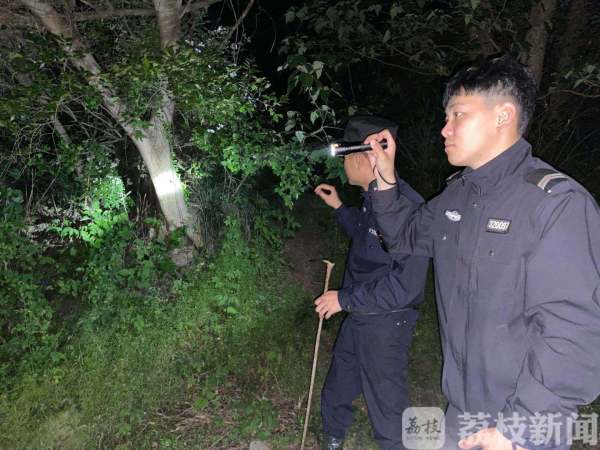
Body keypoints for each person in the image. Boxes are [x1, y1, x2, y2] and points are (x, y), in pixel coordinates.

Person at [364, 55, 600, 450]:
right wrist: (385, 179)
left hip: (520, 424)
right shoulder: (457, 195)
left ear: (502, 116)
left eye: (458, 114)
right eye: (446, 117)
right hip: (463, 413)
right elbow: (405, 238)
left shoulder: (555, 204)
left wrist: (520, 430)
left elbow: (573, 331)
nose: (445, 129)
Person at [313, 116, 430, 450]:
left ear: (365, 157)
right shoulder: (372, 196)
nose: (343, 165)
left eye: (346, 157)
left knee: (386, 401)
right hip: (360, 309)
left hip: (387, 321)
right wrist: (338, 206)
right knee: (341, 379)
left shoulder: (405, 208)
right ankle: (333, 434)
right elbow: (367, 236)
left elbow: (406, 286)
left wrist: (343, 299)